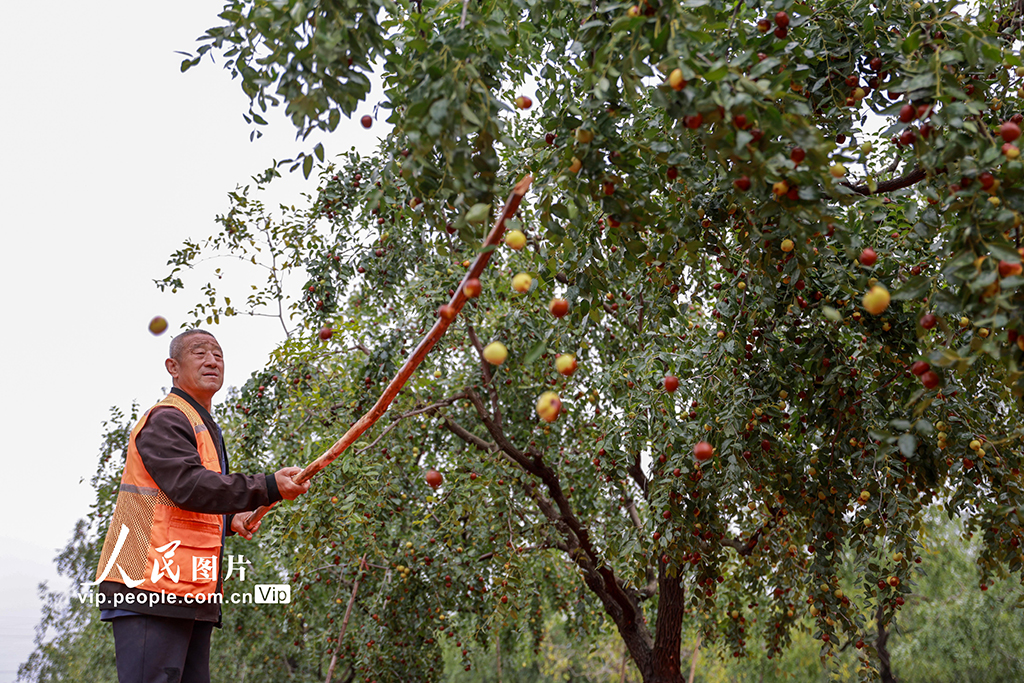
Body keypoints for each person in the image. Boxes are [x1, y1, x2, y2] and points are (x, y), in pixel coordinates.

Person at [93, 328, 309, 683]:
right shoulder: (166, 418)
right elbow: (189, 486)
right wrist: (267, 486)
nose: (212, 360)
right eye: (200, 353)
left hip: (186, 589)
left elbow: (181, 504)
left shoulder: (204, 425)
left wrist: (229, 520)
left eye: (218, 354)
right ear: (172, 367)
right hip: (147, 586)